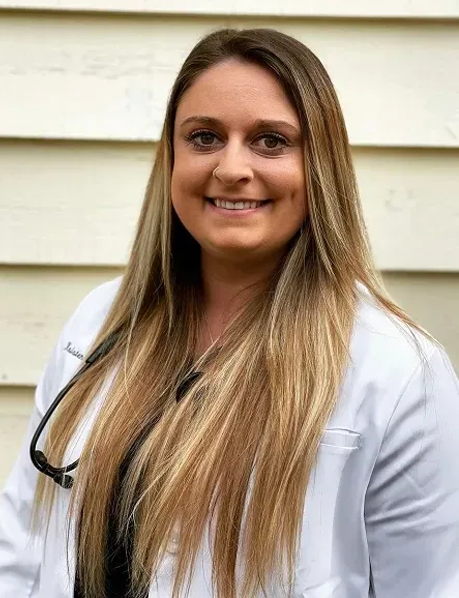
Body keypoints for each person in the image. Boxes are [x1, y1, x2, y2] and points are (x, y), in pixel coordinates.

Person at [0, 27, 458, 598]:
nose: (231, 167)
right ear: (172, 156)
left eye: (270, 141)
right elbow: (21, 543)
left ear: (320, 166)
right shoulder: (99, 322)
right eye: (204, 137)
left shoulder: (399, 373)